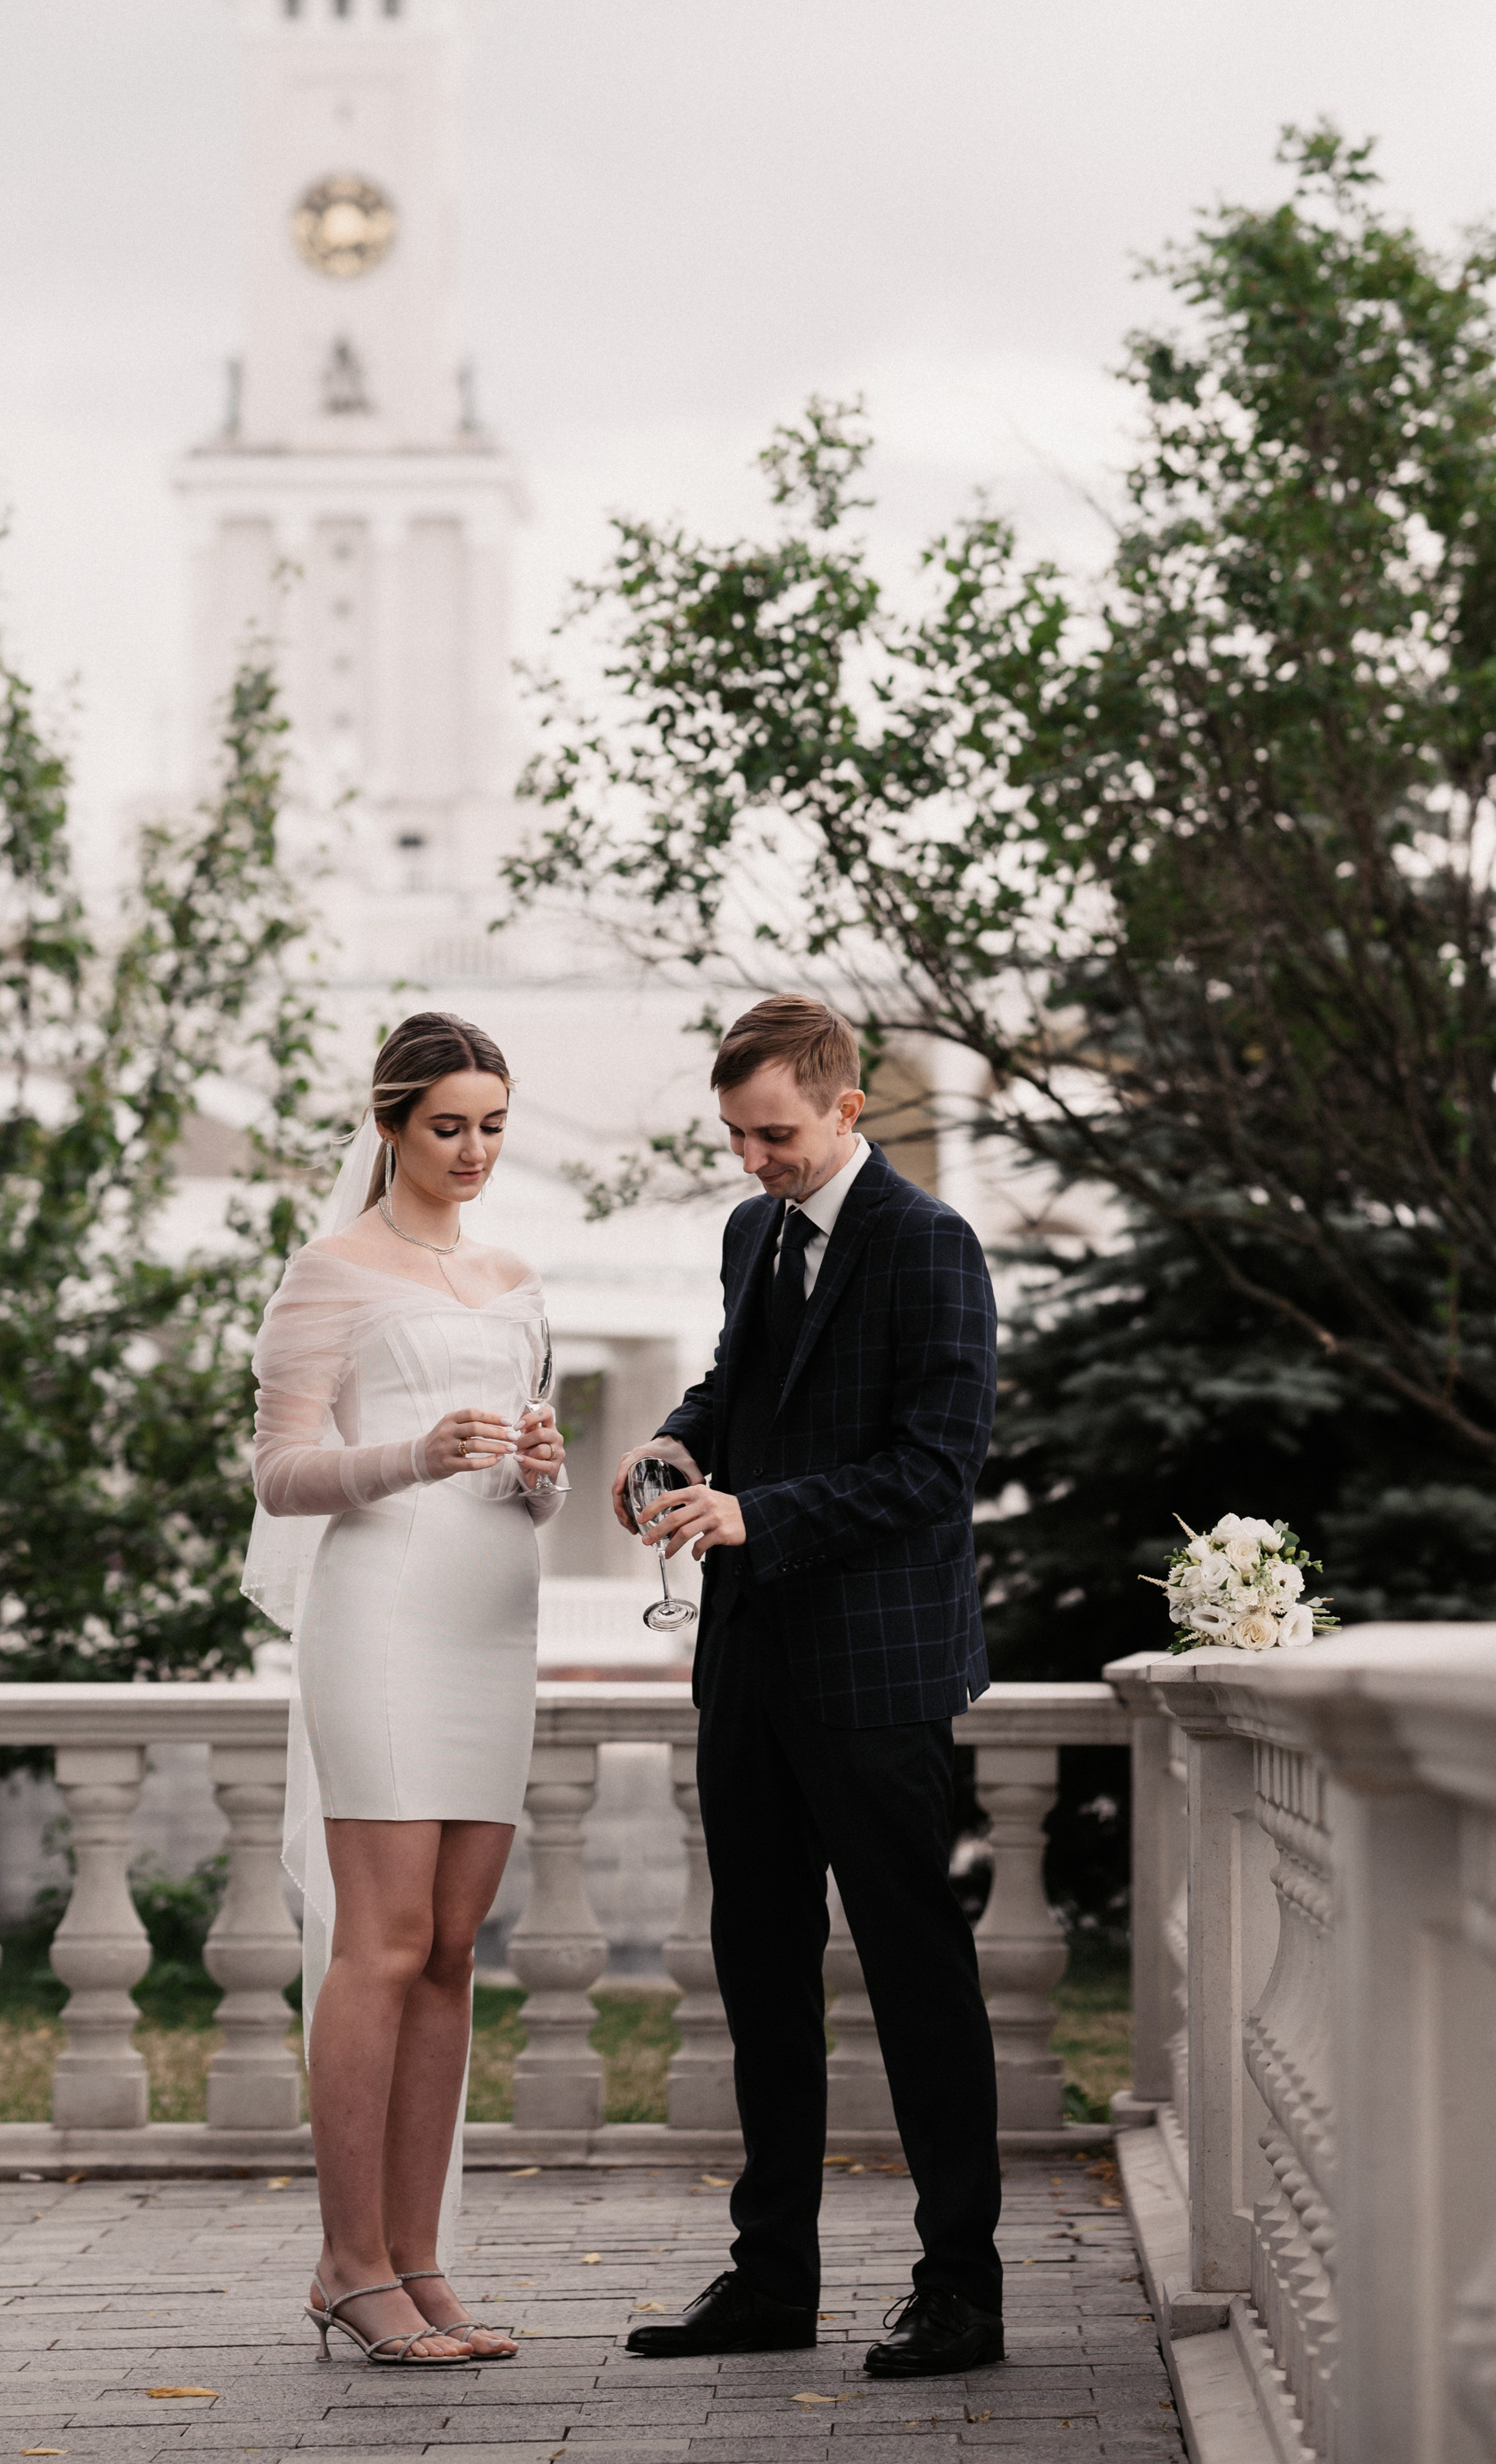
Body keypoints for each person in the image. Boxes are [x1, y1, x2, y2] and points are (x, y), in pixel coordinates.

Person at [615, 995, 1004, 2380]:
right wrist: (670, 1443)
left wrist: (755, 1519)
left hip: (881, 1676)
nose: (751, 1159)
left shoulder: (929, 1244)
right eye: (732, 1134)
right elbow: (741, 1383)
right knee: (758, 1977)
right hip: (750, 1669)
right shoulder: (749, 1233)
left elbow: (934, 1465)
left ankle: (962, 2291)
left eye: (771, 1133)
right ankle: (770, 2279)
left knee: (917, 1977)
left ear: (847, 1109)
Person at [244, 1012, 566, 2368]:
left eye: (493, 1124)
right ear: (387, 1127)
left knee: (449, 1947)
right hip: (378, 1618)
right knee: (377, 1944)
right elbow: (277, 1475)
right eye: (448, 1126)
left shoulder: (513, 1274)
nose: (474, 1150)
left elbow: (528, 1495)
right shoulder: (329, 1272)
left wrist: (537, 1471)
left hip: (493, 1615)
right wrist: (410, 1453)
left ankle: (422, 2257)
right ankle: (346, 2262)